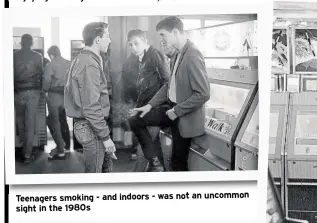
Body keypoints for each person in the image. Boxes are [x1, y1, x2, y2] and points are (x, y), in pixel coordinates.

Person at [130, 16, 210, 172]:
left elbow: (203, 94)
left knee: (177, 163)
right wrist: (149, 105)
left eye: (163, 35)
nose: (161, 40)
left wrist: (176, 111)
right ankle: (155, 161)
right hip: (171, 110)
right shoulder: (177, 54)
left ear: (175, 32)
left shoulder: (192, 54)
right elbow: (169, 85)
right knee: (135, 120)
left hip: (183, 115)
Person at [64, 22, 116, 173]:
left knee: (104, 170)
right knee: (94, 176)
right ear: (98, 39)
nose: (110, 40)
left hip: (91, 125)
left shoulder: (84, 58)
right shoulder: (89, 64)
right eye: (107, 36)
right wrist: (105, 137)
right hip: (91, 126)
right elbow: (91, 106)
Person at [126, 29, 171, 170]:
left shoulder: (156, 55)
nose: (133, 48)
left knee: (143, 150)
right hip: (145, 109)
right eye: (130, 45)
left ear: (145, 41)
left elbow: (168, 83)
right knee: (153, 147)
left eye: (136, 43)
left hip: (156, 109)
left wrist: (153, 104)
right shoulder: (141, 58)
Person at [14, 34, 44, 163]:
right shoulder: (38, 56)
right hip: (33, 91)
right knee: (30, 122)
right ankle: (27, 155)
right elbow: (41, 74)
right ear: (32, 43)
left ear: (20, 42)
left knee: (20, 119)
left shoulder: (14, 55)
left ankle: (21, 143)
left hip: (18, 92)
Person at [43, 45, 71, 160]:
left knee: (53, 122)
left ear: (51, 55)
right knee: (61, 121)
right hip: (65, 98)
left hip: (54, 98)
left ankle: (60, 150)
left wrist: (44, 91)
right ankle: (63, 146)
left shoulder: (50, 64)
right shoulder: (69, 63)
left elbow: (46, 81)